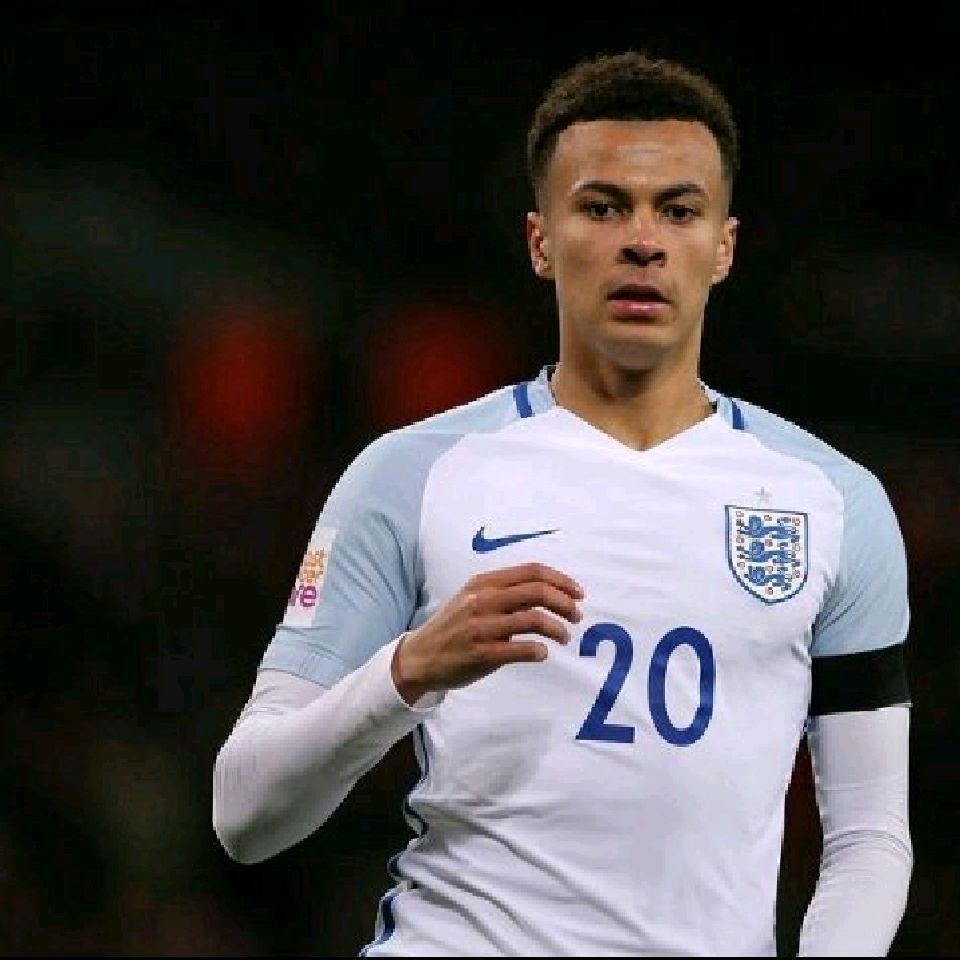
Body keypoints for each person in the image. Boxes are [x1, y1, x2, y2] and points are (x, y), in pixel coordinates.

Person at [212, 50, 914, 957]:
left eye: (679, 210)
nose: (643, 241)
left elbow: (869, 840)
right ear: (540, 241)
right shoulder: (413, 474)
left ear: (725, 247)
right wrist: (407, 671)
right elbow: (244, 814)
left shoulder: (833, 503)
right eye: (603, 207)